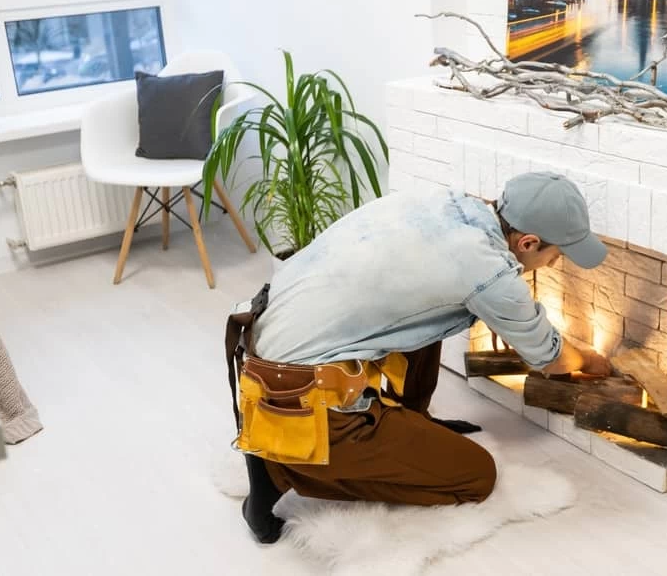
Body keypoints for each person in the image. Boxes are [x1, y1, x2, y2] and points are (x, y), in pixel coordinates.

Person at [235, 172, 613, 544]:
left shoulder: (442, 203)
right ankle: (278, 472)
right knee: (477, 476)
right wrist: (590, 361)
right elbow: (550, 357)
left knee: (428, 311)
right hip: (298, 396)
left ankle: (410, 423)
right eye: (556, 256)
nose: (553, 265)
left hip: (261, 348)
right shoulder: (489, 270)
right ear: (528, 242)